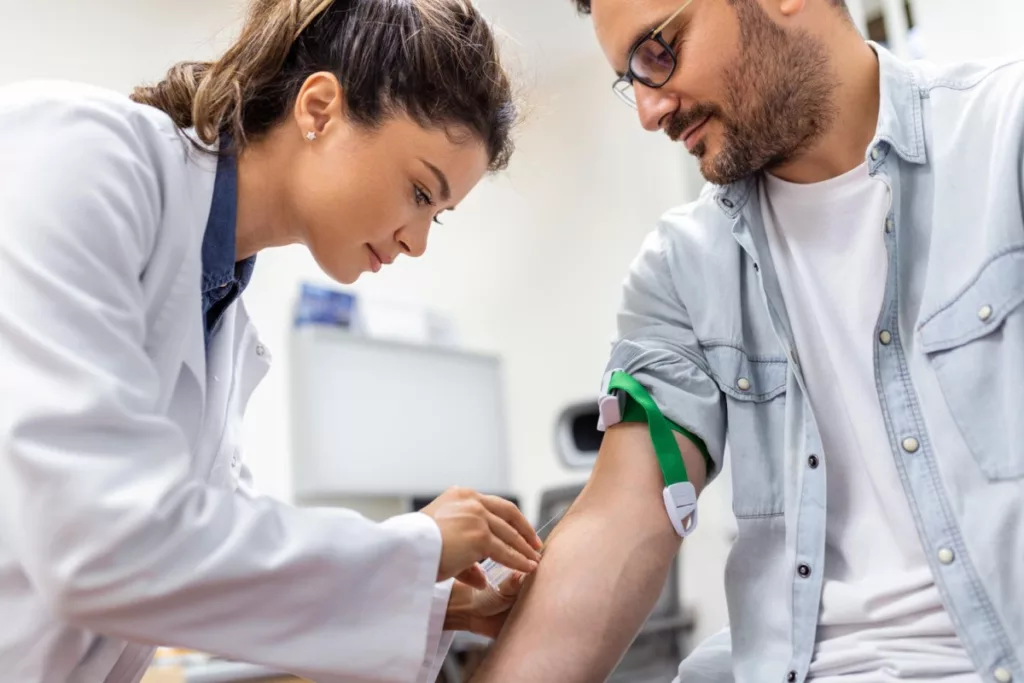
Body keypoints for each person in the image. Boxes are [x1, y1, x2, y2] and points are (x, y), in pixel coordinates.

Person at [469, 1, 1024, 682]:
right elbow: (618, 518)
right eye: (629, 78)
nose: (648, 111)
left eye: (658, 51)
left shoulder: (1004, 138)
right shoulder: (680, 269)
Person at [0, 1, 544, 681]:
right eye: (417, 191)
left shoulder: (220, 312)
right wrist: (415, 547)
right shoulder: (81, 155)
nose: (417, 240)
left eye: (439, 215)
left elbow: (206, 562)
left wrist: (432, 600)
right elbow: (100, 545)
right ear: (319, 108)